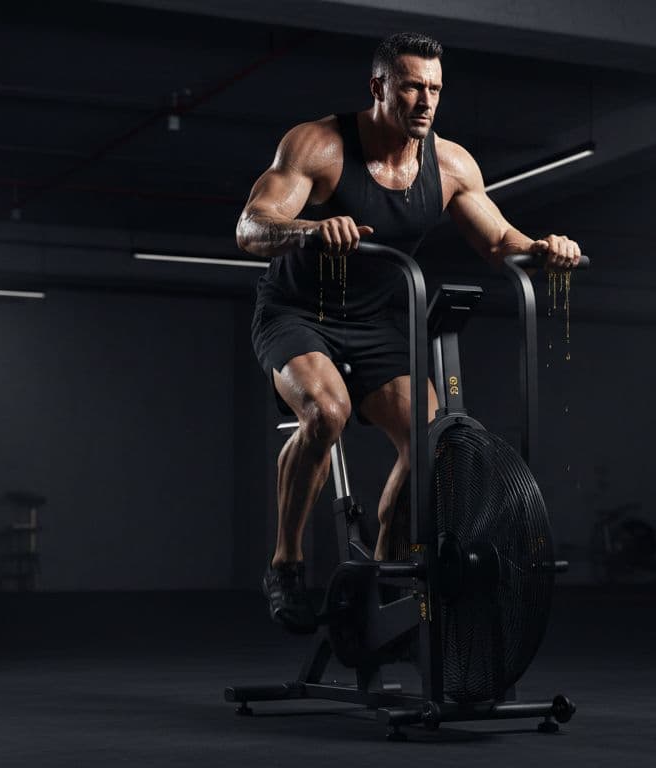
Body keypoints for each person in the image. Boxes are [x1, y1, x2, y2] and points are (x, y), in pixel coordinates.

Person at [236, 32, 582, 634]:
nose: (426, 101)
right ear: (379, 87)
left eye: (436, 89)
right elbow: (251, 227)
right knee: (325, 413)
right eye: (413, 87)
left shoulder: (450, 165)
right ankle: (286, 563)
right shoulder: (318, 145)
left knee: (432, 442)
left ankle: (387, 581)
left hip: (375, 320)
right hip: (297, 310)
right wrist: (311, 232)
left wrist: (547, 247)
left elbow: (500, 241)